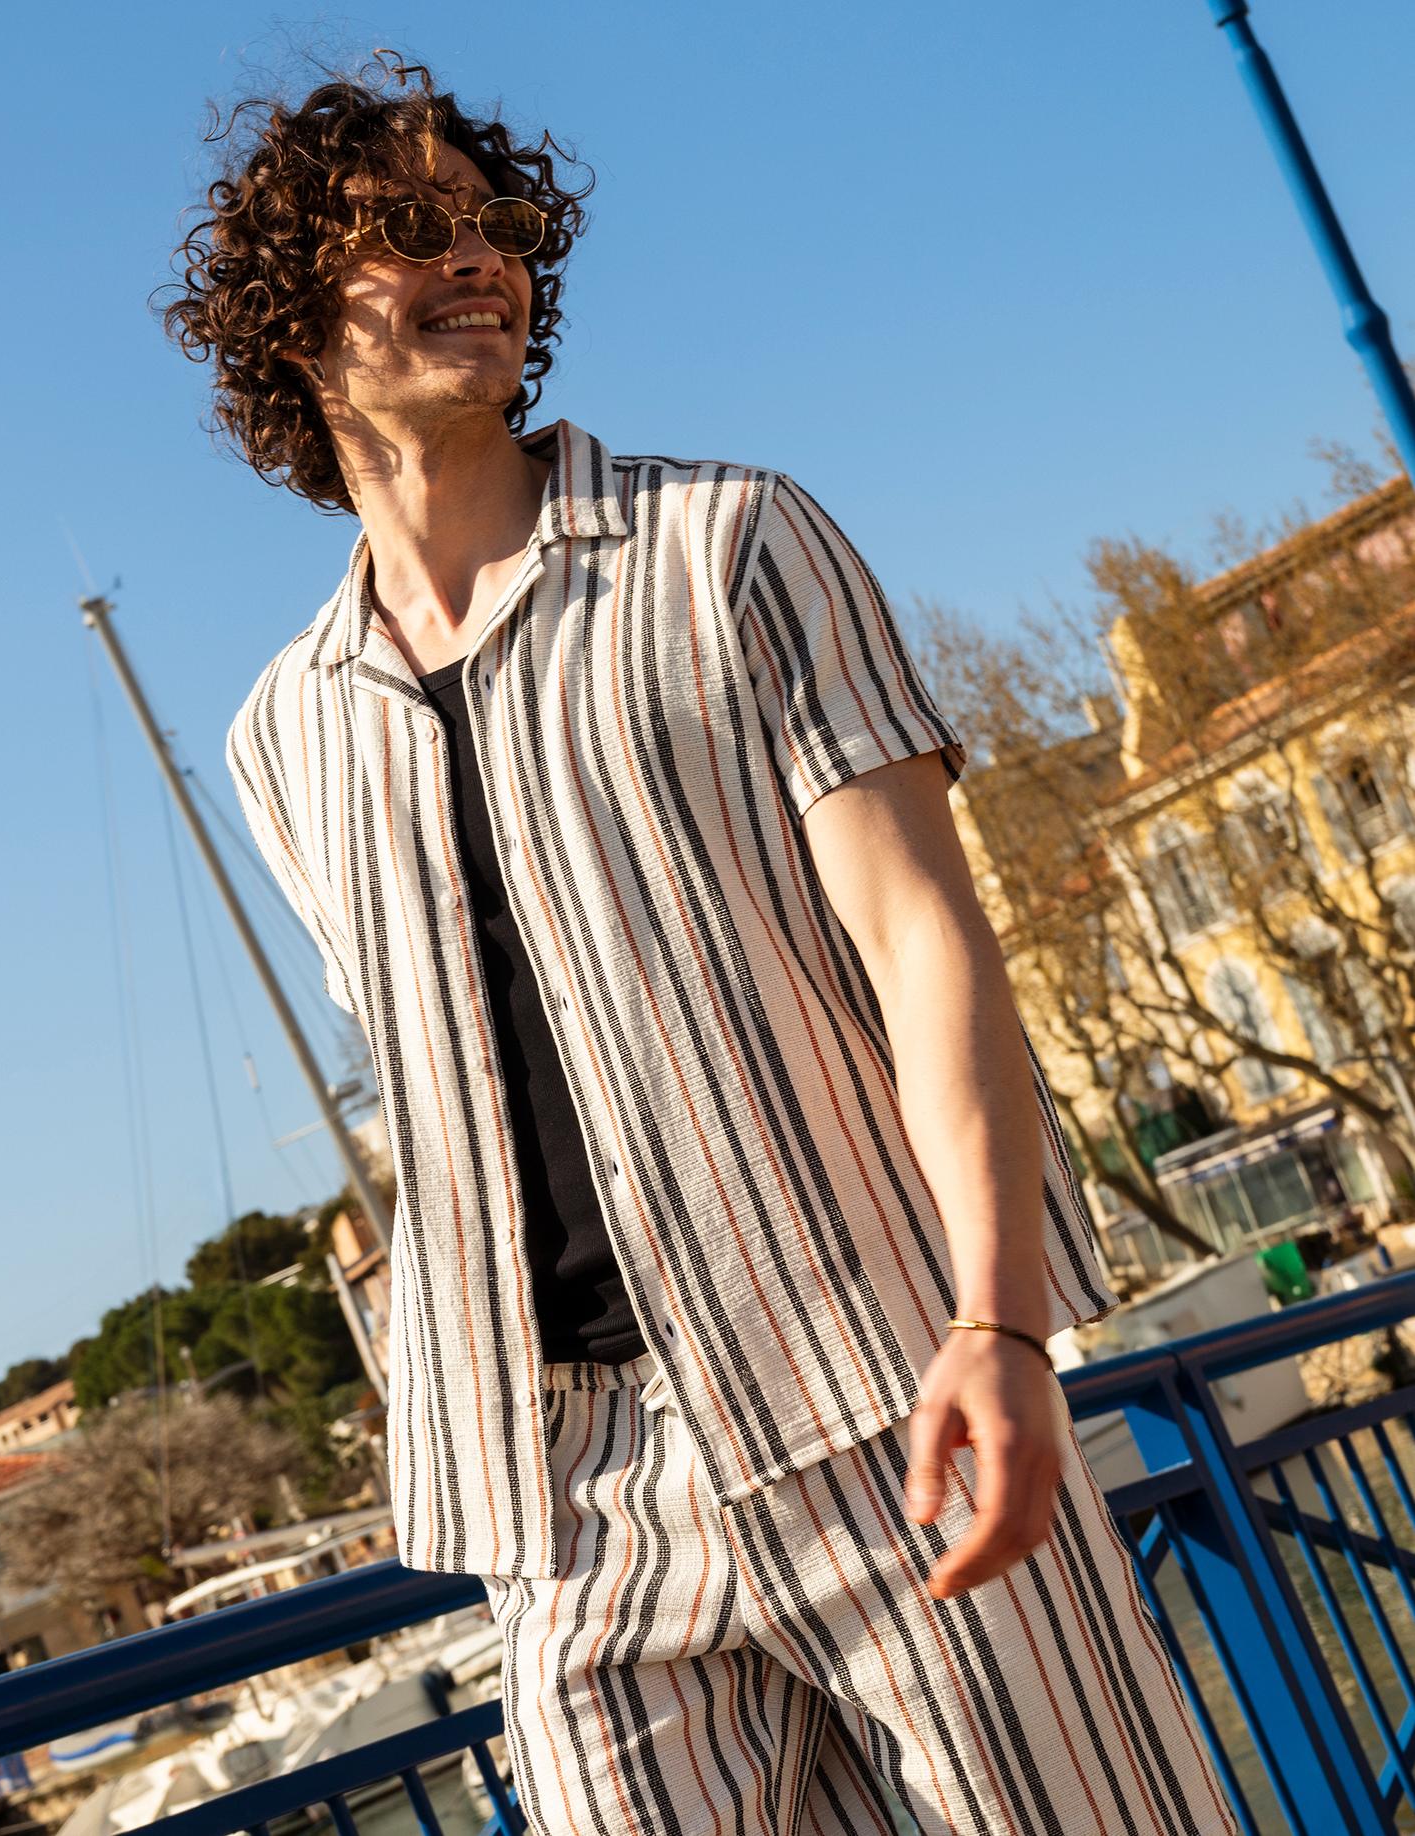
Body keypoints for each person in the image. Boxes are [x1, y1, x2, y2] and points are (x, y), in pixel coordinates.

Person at [163, 50, 1240, 1835]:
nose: (479, 258)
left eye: (496, 226)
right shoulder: (286, 734)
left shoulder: (730, 545)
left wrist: (999, 1321)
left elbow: (923, 941)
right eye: (409, 230)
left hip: (880, 1398)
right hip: (571, 1517)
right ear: (288, 314)